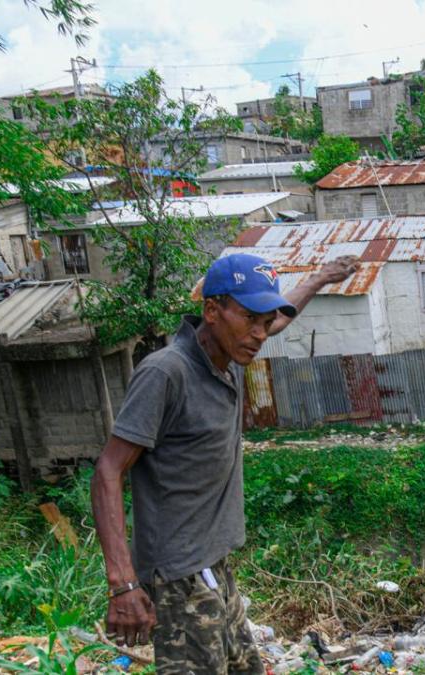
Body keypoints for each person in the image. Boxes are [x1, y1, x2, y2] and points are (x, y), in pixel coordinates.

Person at [90, 253, 358, 673]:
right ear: (211, 310)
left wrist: (323, 277)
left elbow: (277, 319)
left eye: (265, 323)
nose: (259, 334)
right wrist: (122, 584)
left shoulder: (228, 357)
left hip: (213, 566)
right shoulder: (167, 373)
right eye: (250, 319)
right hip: (178, 576)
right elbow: (108, 470)